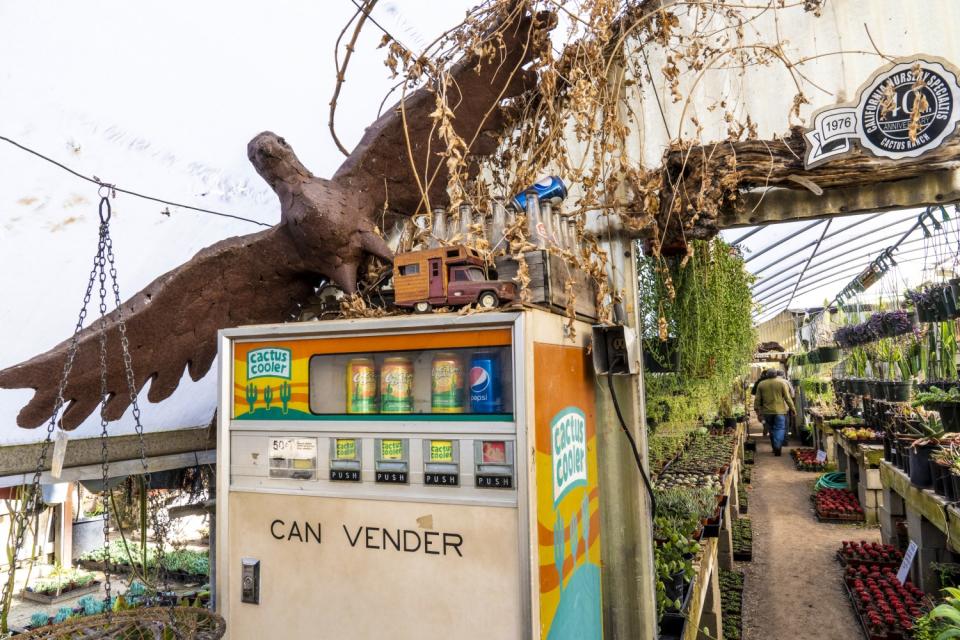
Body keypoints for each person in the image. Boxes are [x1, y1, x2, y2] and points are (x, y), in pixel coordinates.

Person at [753, 368, 796, 456]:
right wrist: (793, 409)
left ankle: (775, 447)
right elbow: (788, 398)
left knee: (771, 429)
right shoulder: (782, 383)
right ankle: (777, 446)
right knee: (780, 429)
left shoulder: (761, 384)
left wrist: (757, 410)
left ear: (767, 375)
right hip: (780, 412)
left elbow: (757, 399)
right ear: (776, 374)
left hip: (767, 412)